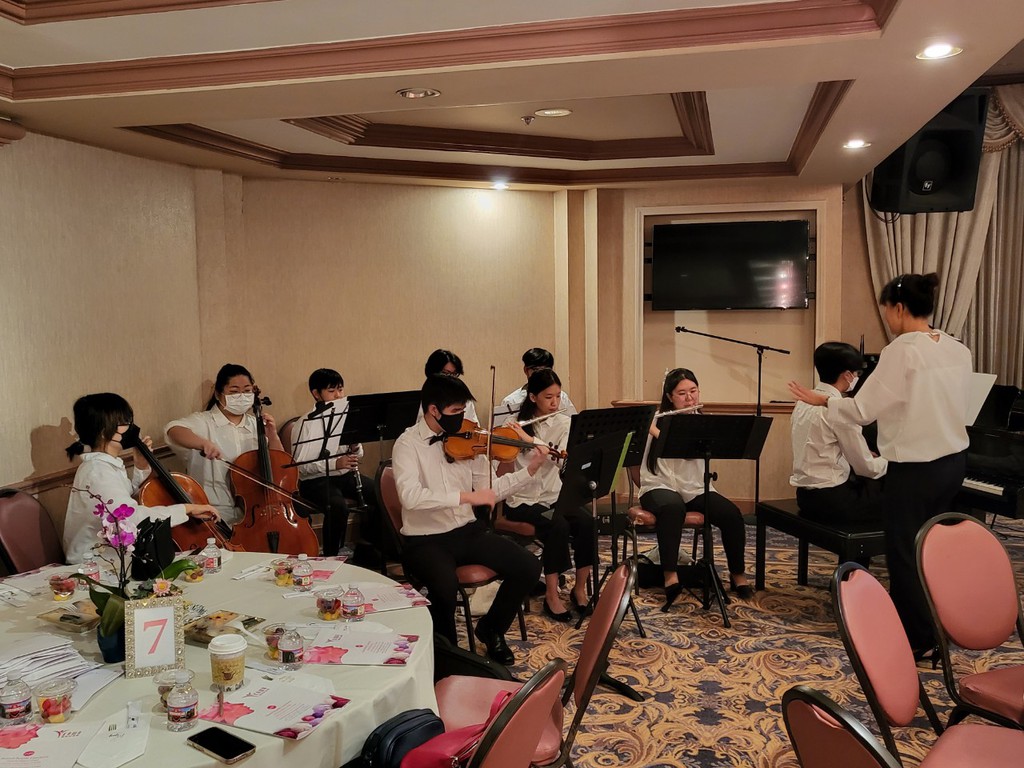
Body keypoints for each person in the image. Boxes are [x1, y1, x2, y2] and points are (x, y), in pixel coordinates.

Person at [789, 273, 973, 658]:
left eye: (886, 309)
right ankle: (941, 622)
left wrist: (825, 401)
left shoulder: (902, 350)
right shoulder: (957, 348)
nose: (886, 317)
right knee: (933, 547)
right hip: (953, 463)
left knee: (903, 551)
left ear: (899, 308)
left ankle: (918, 638)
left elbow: (862, 410)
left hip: (916, 469)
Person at [392, 373, 549, 664]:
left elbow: (489, 490)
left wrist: (530, 470)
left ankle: (491, 629)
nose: (462, 417)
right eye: (455, 411)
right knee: (444, 587)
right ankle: (448, 654)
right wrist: (464, 497)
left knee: (528, 566)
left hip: (466, 531)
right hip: (424, 540)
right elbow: (410, 497)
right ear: (433, 410)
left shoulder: (469, 440)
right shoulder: (407, 444)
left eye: (464, 410)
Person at [639, 368, 752, 610]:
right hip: (659, 485)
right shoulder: (657, 419)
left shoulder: (703, 421)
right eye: (682, 393)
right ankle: (670, 575)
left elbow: (690, 453)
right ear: (669, 397)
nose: (689, 398)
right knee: (672, 508)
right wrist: (652, 428)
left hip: (695, 488)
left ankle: (737, 574)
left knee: (731, 514)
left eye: (693, 391)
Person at [64, 393, 219, 564]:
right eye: (124, 422)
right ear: (103, 432)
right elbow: (130, 518)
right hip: (95, 562)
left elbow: (126, 499)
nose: (131, 427)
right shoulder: (97, 471)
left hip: (113, 559)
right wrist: (186, 509)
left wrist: (140, 466)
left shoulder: (106, 465)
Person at [503, 369, 594, 622]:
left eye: (558, 396)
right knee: (557, 525)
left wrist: (529, 439)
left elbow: (560, 460)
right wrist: (516, 437)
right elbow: (500, 464)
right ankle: (552, 596)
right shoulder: (513, 424)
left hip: (554, 496)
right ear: (533, 397)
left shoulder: (564, 423)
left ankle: (579, 589)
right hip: (522, 499)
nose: (555, 403)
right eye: (548, 397)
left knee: (587, 521)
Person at [164, 363, 282, 525]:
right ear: (218, 394)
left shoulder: (257, 424)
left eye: (247, 391)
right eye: (234, 391)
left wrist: (273, 435)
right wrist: (203, 443)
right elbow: (173, 429)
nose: (241, 396)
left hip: (254, 510)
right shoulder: (204, 421)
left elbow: (280, 465)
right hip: (213, 510)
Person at [790, 342, 887, 524]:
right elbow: (868, 469)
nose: (857, 377)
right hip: (834, 501)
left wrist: (858, 452)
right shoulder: (840, 409)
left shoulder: (803, 402)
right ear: (848, 375)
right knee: (898, 495)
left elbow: (821, 445)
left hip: (804, 496)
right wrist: (892, 460)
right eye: (857, 373)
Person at [291, 368, 380, 558]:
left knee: (380, 493)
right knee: (337, 506)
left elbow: (359, 453)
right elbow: (301, 467)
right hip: (315, 481)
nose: (338, 395)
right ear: (316, 394)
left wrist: (355, 447)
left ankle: (369, 547)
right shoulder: (305, 424)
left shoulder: (347, 417)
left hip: (345, 476)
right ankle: (331, 555)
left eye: (340, 389)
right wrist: (335, 464)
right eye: (332, 391)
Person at [499, 348, 577, 418]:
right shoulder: (511, 401)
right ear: (526, 370)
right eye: (536, 370)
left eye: (546, 370)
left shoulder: (562, 397)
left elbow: (574, 423)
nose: (541, 375)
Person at [418, 349, 478, 423]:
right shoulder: (422, 399)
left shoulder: (464, 400)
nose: (451, 379)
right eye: (445, 373)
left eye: (454, 374)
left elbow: (473, 425)